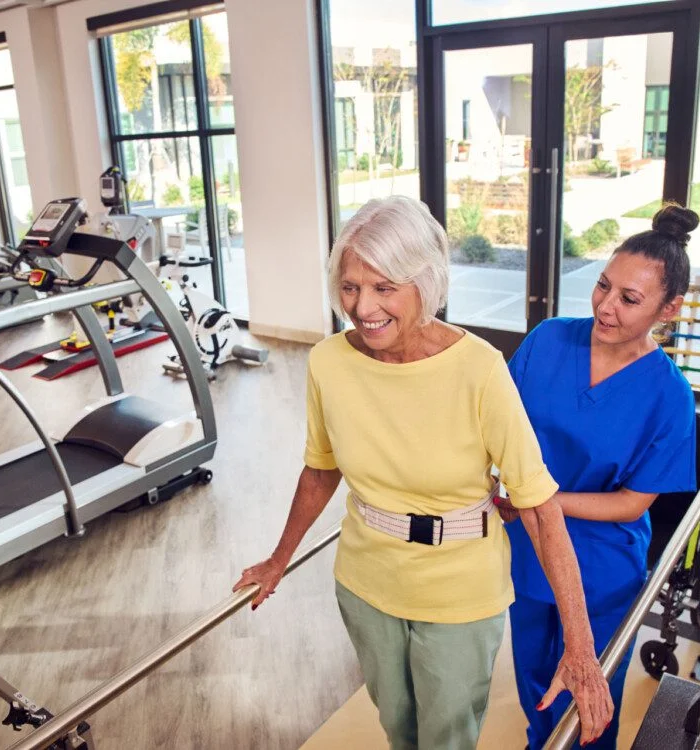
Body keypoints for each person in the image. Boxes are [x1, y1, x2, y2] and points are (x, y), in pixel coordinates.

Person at [233, 196, 612, 749]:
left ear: (426, 282)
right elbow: (320, 469)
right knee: (398, 729)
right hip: (366, 582)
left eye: (384, 288)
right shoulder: (328, 362)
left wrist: (580, 648)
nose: (363, 307)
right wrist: (278, 558)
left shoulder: (478, 367)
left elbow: (537, 504)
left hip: (459, 589)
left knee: (446, 738)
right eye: (349, 287)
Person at [499, 204, 699, 749]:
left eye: (629, 299)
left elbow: (633, 504)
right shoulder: (548, 340)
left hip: (600, 567)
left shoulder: (669, 396)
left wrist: (539, 498)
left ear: (670, 307)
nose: (606, 307)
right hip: (528, 549)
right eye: (602, 286)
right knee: (537, 689)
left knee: (588, 711)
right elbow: (499, 428)